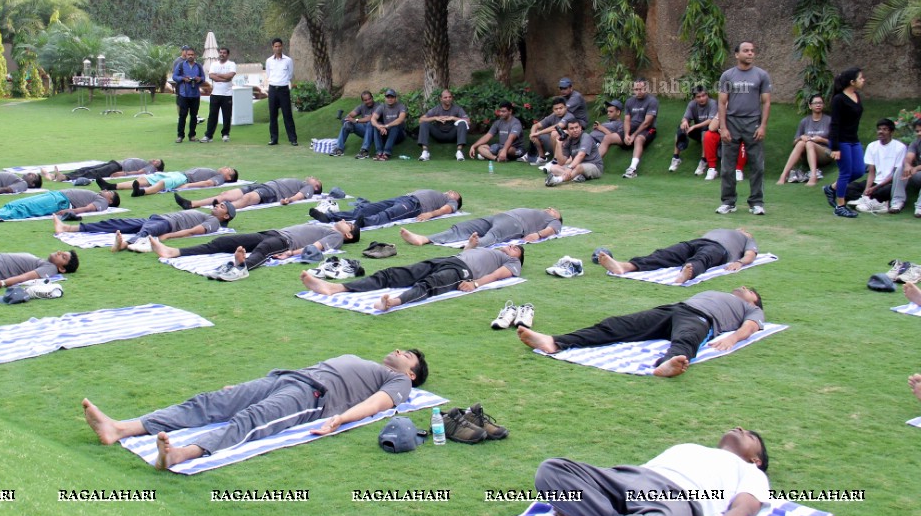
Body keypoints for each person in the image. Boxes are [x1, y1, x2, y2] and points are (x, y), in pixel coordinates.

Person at [81, 349, 427, 469]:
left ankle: (181, 454)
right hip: (286, 379)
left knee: (252, 421)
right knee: (210, 402)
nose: (398, 350)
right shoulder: (370, 363)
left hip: (312, 397)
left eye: (406, 355)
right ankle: (121, 428)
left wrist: (340, 419)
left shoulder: (401, 384)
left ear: (411, 373)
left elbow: (375, 405)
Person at [533, 428, 769, 516]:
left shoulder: (750, 471)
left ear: (756, 460)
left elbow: (745, 508)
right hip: (629, 479)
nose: (739, 428)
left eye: (750, 436)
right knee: (551, 471)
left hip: (678, 500)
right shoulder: (691, 447)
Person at [518, 286, 765, 378]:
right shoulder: (725, 294)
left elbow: (750, 327)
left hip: (701, 318)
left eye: (749, 290)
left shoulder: (750, 310)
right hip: (674, 309)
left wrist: (732, 337)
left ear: (755, 302)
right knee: (618, 325)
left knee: (686, 339)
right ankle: (555, 342)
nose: (742, 287)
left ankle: (668, 363)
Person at [300, 245, 525, 312]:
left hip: (462, 272)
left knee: (428, 286)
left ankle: (393, 302)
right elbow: (467, 253)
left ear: (518, 257)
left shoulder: (511, 262)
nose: (511, 247)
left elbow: (497, 275)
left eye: (516, 248)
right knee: (392, 274)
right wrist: (471, 245)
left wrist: (476, 283)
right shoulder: (492, 249)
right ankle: (336, 287)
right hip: (448, 259)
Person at [150, 220, 360, 281]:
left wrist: (290, 254)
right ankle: (174, 252)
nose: (344, 221)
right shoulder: (327, 225)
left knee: (264, 250)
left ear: (348, 235)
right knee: (224, 241)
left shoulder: (336, 236)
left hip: (284, 242)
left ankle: (241, 267)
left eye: (349, 225)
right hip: (273, 230)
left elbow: (316, 247)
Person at [716, 42, 772, 215]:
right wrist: (723, 127)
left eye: (752, 51)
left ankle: (756, 202)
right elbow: (722, 102)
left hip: (753, 122)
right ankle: (728, 202)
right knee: (727, 166)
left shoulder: (762, 75)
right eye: (746, 51)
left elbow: (766, 102)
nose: (750, 54)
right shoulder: (727, 75)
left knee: (757, 165)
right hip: (731, 122)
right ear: (736, 54)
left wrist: (762, 126)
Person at [595, 228, 759, 284]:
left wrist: (739, 262)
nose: (743, 229)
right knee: (664, 254)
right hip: (698, 241)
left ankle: (687, 272)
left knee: (704, 258)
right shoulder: (725, 230)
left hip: (720, 249)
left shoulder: (747, 239)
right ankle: (626, 266)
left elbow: (750, 255)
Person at [53, 201, 236, 251]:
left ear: (225, 216)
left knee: (146, 231)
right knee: (116, 223)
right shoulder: (207, 215)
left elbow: (195, 231)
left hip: (167, 224)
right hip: (159, 218)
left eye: (221, 207)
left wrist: (169, 236)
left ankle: (126, 244)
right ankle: (69, 228)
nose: (216, 206)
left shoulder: (214, 223)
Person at [823, 67, 866, 218]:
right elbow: (834, 124)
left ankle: (831, 188)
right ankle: (840, 206)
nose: (863, 80)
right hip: (841, 141)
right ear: (852, 82)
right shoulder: (838, 99)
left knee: (859, 170)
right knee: (846, 173)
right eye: (860, 78)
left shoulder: (857, 96)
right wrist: (834, 147)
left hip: (854, 140)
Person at [400, 207, 562, 247]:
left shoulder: (554, 221)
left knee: (494, 235)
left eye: (553, 210)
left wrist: (538, 235)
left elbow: (551, 230)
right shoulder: (541, 212)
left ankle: (476, 245)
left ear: (557, 216)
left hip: (515, 224)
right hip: (500, 216)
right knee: (464, 227)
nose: (549, 209)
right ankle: (425, 239)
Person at [844, 118, 907, 214]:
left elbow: (895, 174)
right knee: (848, 188)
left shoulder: (900, 147)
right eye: (879, 129)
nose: (881, 132)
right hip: (875, 181)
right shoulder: (872, 146)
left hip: (890, 183)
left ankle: (873, 202)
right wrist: (867, 188)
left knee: (883, 191)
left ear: (892, 132)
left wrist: (874, 189)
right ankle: (867, 200)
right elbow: (871, 171)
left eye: (885, 129)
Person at [310, 189, 461, 227]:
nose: (451, 191)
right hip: (403, 198)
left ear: (456, 200)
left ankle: (364, 223)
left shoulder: (451, 202)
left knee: (388, 214)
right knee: (367, 208)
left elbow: (445, 210)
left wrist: (430, 214)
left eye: (455, 193)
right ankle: (329, 217)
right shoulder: (440, 194)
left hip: (415, 205)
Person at [776, 94, 831, 186]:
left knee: (809, 143)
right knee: (801, 143)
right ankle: (784, 175)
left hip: (825, 153)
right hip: (807, 155)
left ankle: (813, 177)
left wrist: (821, 139)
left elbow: (836, 143)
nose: (818, 105)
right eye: (815, 103)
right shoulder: (805, 121)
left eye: (820, 103)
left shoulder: (829, 120)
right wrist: (800, 138)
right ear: (810, 106)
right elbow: (794, 143)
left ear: (823, 105)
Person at [173, 177, 322, 210]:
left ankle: (223, 210)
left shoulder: (308, 187)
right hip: (263, 185)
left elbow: (300, 196)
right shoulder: (304, 183)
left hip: (271, 192)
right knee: (226, 194)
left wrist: (288, 200)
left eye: (316, 180)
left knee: (248, 198)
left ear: (316, 187)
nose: (313, 178)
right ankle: (191, 204)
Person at [0, 188, 119, 221]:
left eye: (110, 192)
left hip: (60, 201)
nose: (106, 191)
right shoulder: (97, 195)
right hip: (55, 195)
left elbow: (88, 208)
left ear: (110, 201)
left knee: (27, 208)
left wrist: (71, 211)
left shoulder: (103, 202)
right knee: (17, 203)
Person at [671, 85, 718, 176]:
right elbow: (685, 117)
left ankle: (703, 161)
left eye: (704, 95)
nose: (701, 98)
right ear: (694, 98)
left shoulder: (713, 103)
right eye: (698, 97)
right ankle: (676, 157)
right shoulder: (692, 104)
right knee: (681, 127)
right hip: (697, 131)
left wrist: (694, 126)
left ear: (707, 95)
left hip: (711, 132)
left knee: (705, 131)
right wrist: (685, 122)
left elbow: (711, 120)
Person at [545, 118, 602, 186]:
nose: (575, 130)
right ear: (568, 131)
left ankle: (557, 180)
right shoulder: (569, 141)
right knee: (554, 168)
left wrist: (570, 168)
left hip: (595, 167)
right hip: (576, 168)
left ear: (580, 127)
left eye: (576, 127)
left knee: (578, 167)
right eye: (571, 128)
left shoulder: (586, 137)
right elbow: (561, 162)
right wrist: (559, 145)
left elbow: (581, 155)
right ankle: (577, 177)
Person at [620, 78, 659, 179]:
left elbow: (647, 123)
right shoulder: (629, 101)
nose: (638, 91)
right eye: (636, 89)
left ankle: (632, 169)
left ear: (646, 88)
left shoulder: (652, 101)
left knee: (638, 139)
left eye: (641, 89)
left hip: (648, 129)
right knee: (609, 138)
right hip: (632, 128)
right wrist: (626, 135)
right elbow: (627, 120)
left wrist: (633, 135)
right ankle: (595, 164)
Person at [417, 89, 470, 161]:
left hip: (452, 135)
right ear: (441, 99)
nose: (448, 99)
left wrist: (453, 118)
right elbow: (420, 120)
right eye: (445, 97)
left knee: (462, 123)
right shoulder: (436, 109)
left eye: (450, 97)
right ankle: (425, 152)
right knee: (424, 123)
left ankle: (459, 152)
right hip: (439, 134)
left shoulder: (457, 109)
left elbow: (468, 121)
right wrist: (435, 118)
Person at [116, 167, 239, 197]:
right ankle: (114, 185)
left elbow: (208, 183)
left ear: (228, 177)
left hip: (184, 178)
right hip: (180, 174)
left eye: (228, 169)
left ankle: (142, 192)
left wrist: (188, 185)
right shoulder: (217, 173)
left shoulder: (220, 178)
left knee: (163, 182)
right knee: (146, 179)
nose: (225, 167)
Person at [265, 38, 297, 146]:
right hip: (273, 89)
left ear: (282, 46)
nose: (277, 48)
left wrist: (282, 82)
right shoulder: (269, 61)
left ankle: (293, 139)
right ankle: (274, 139)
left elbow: (290, 74)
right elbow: (269, 74)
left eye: (279, 46)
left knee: (287, 114)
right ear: (273, 47)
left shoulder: (288, 60)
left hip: (283, 89)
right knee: (273, 115)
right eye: (275, 46)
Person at [201, 46, 236, 143]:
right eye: (220, 52)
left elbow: (230, 76)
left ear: (227, 54)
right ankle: (208, 135)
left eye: (224, 53)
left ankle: (225, 134)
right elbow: (211, 76)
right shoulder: (214, 64)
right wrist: (224, 78)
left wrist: (218, 75)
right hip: (215, 94)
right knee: (212, 115)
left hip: (227, 95)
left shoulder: (231, 64)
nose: (222, 54)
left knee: (226, 116)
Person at [171, 46, 205, 143]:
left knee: (194, 116)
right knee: (182, 116)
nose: (190, 56)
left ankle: (192, 135)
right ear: (186, 55)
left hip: (195, 94)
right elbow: (174, 76)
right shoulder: (181, 65)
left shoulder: (198, 66)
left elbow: (203, 78)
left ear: (195, 56)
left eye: (192, 55)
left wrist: (199, 79)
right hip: (184, 94)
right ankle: (180, 136)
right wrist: (183, 79)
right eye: (189, 54)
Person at [332, 91, 378, 158]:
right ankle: (339, 149)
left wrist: (356, 120)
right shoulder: (361, 107)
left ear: (372, 98)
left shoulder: (378, 106)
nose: (368, 101)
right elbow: (350, 115)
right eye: (365, 100)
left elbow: (372, 117)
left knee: (370, 123)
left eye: (369, 99)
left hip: (376, 132)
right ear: (362, 101)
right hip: (364, 130)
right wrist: (346, 121)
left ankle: (364, 151)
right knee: (347, 124)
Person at [523, 97, 569, 164]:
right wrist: (532, 134)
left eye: (561, 108)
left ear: (566, 108)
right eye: (556, 109)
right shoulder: (553, 116)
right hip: (553, 143)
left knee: (554, 133)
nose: (558, 110)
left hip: (566, 145)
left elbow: (556, 127)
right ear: (553, 110)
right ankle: (542, 157)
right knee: (535, 132)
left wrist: (538, 133)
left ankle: (555, 159)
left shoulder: (569, 116)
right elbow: (535, 125)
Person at [43, 159, 163, 183]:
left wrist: (123, 174)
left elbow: (139, 173)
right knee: (87, 169)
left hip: (118, 168)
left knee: (94, 173)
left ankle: (65, 178)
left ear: (157, 168)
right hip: (115, 163)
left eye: (156, 162)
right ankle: (57, 176)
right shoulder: (148, 163)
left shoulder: (151, 169)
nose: (153, 160)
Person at [370, 88, 407, 161]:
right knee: (376, 127)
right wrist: (379, 127)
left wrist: (386, 126)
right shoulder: (382, 106)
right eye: (388, 97)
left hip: (399, 135)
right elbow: (373, 118)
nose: (390, 99)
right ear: (385, 98)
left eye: (392, 97)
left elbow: (400, 119)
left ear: (395, 98)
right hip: (386, 133)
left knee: (395, 126)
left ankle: (386, 153)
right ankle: (379, 153)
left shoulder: (401, 106)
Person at [901, 119, 921, 217]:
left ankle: (920, 207)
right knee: (900, 168)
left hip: (917, 171)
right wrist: (908, 165)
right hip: (916, 175)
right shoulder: (916, 143)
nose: (919, 133)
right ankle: (897, 201)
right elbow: (909, 157)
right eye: (917, 131)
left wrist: (917, 168)